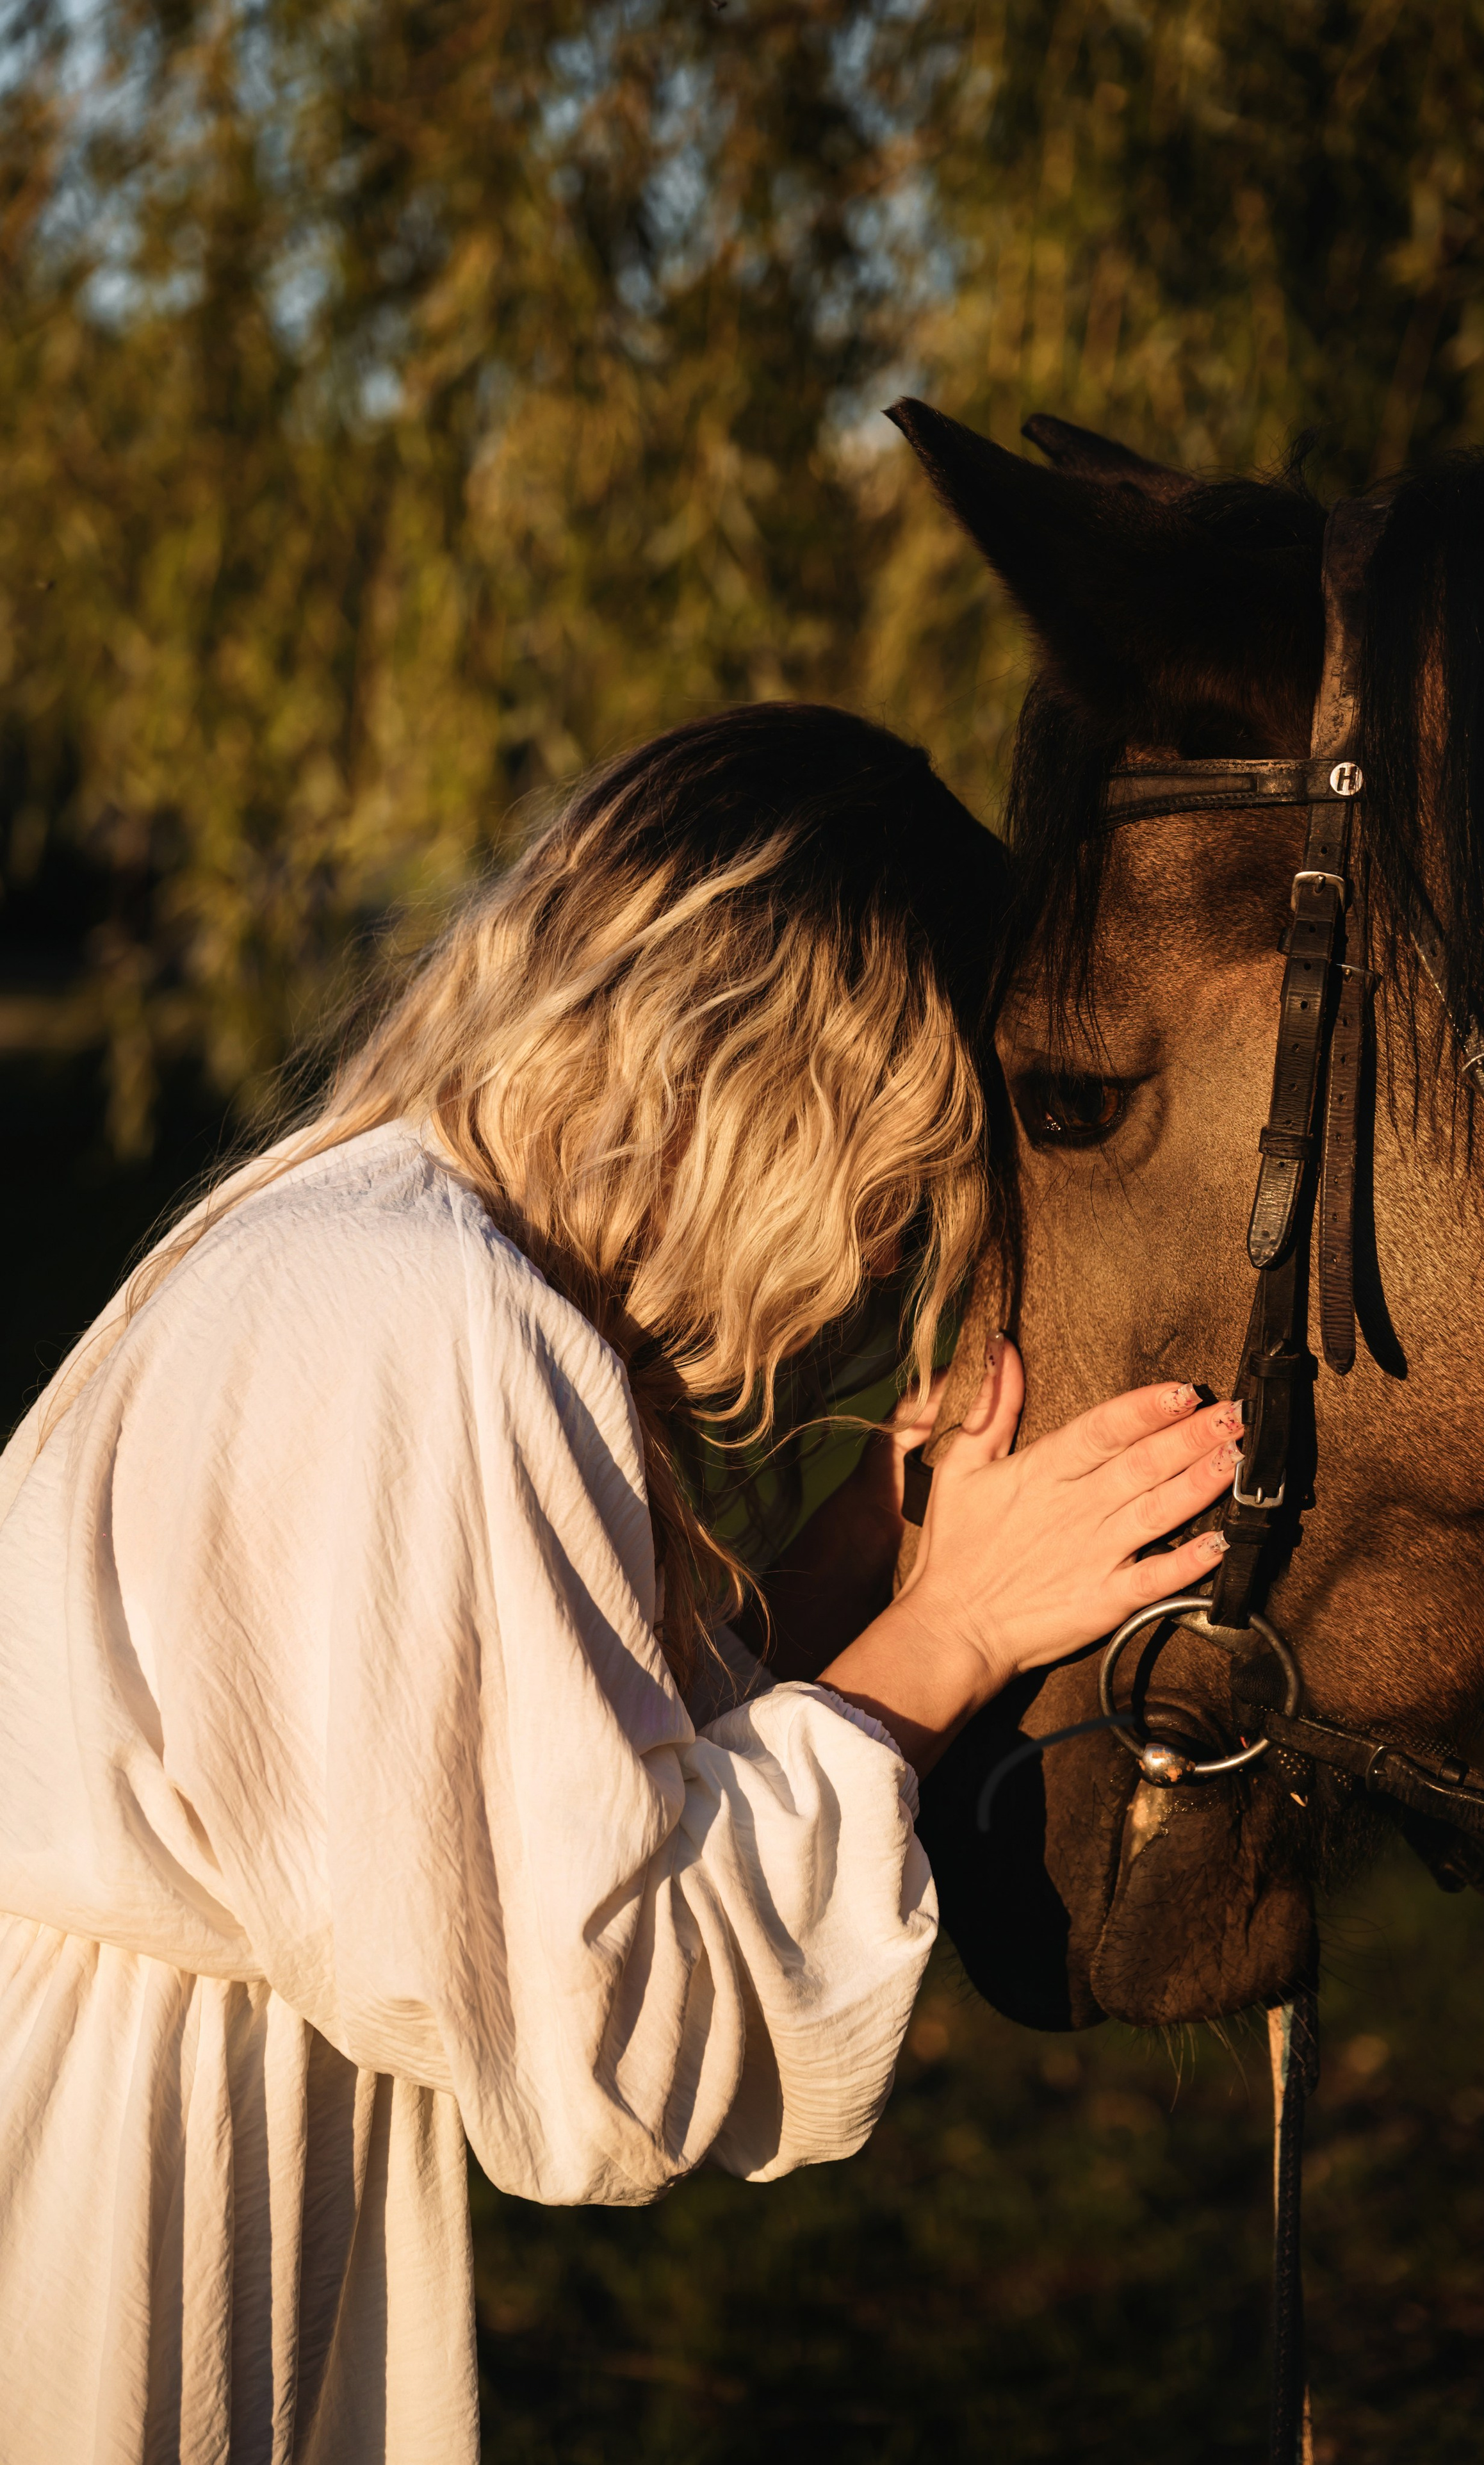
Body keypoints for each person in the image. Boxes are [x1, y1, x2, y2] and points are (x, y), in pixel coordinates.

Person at [0, 703, 1239, 2464]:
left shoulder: (382, 1247)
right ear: (790, 1085)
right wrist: (953, 1632)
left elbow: (571, 1782)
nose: (882, 1253)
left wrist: (877, 1547)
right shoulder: (426, 1319)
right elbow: (606, 2007)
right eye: (905, 1176)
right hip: (102, 2203)